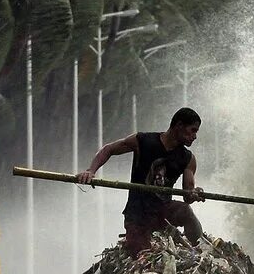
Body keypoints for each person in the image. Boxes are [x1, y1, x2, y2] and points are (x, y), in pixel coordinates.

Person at [77, 106, 206, 254]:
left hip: (163, 211)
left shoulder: (188, 158)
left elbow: (187, 195)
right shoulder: (143, 141)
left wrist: (195, 193)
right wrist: (91, 171)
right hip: (138, 215)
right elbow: (109, 149)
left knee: (185, 211)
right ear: (179, 126)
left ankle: (197, 249)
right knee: (142, 253)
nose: (194, 136)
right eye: (193, 130)